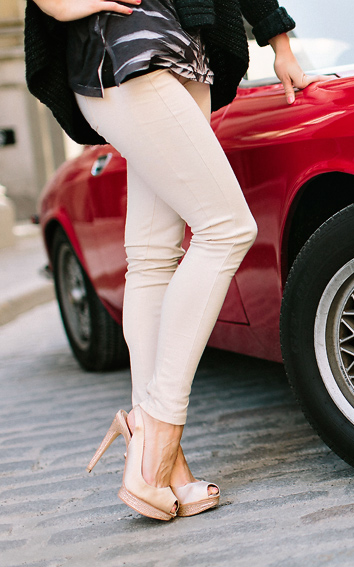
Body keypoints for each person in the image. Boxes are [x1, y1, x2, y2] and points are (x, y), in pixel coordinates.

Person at [24, 0, 326, 520]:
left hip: (183, 52)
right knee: (228, 227)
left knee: (151, 257)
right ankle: (158, 430)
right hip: (125, 54)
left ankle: (165, 467)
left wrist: (280, 43)